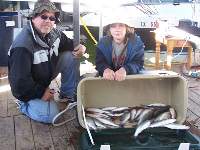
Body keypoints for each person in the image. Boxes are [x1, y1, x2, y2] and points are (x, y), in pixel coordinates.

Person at [8, 0, 86, 123]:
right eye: (43, 16)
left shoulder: (54, 33)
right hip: (28, 87)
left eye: (52, 18)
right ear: (33, 18)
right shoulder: (22, 46)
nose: (48, 20)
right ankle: (23, 105)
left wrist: (81, 46)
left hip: (45, 73)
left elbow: (70, 44)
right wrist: (41, 93)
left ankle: (66, 94)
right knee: (51, 115)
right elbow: (19, 84)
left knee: (71, 55)